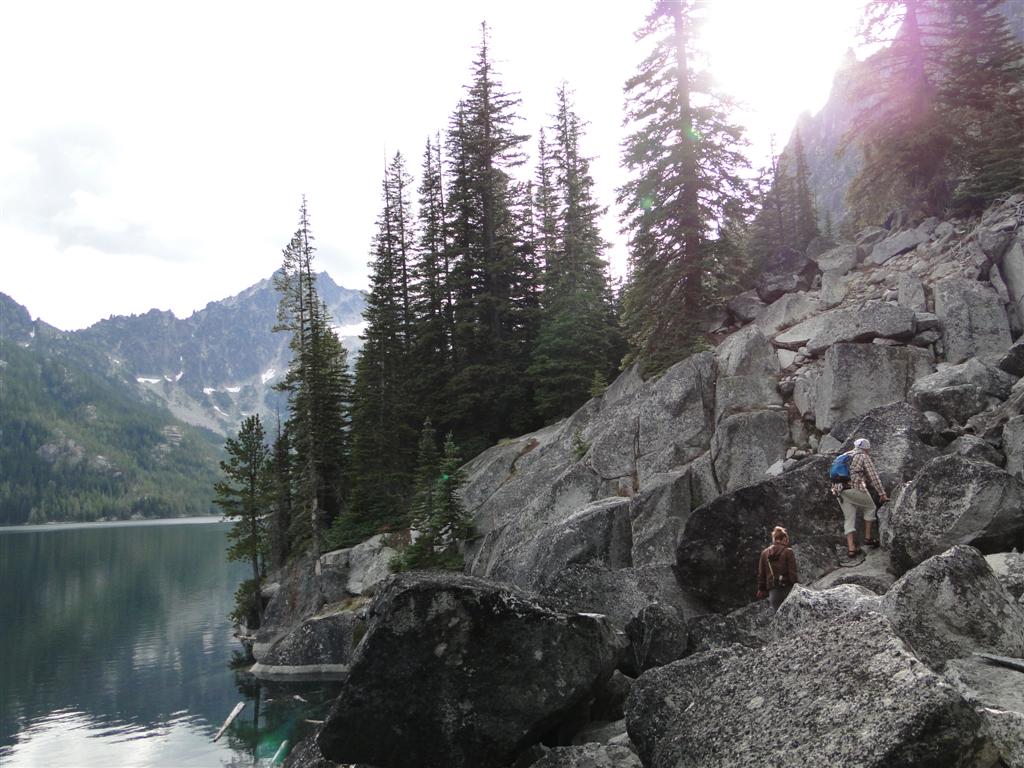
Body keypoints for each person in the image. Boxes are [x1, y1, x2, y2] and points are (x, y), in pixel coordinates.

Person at [833, 437, 889, 558]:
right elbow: (873, 476)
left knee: (849, 518)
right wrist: (882, 494)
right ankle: (868, 538)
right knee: (870, 507)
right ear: (866, 449)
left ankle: (851, 549)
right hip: (855, 488)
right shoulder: (863, 456)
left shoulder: (844, 456)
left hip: (839, 491)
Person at [756, 526, 798, 610]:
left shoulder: (764, 553)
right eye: (787, 540)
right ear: (784, 539)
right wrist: (796, 587)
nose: (787, 542)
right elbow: (792, 573)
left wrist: (761, 589)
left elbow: (761, 574)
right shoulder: (788, 551)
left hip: (774, 592)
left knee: (779, 615)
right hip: (788, 590)